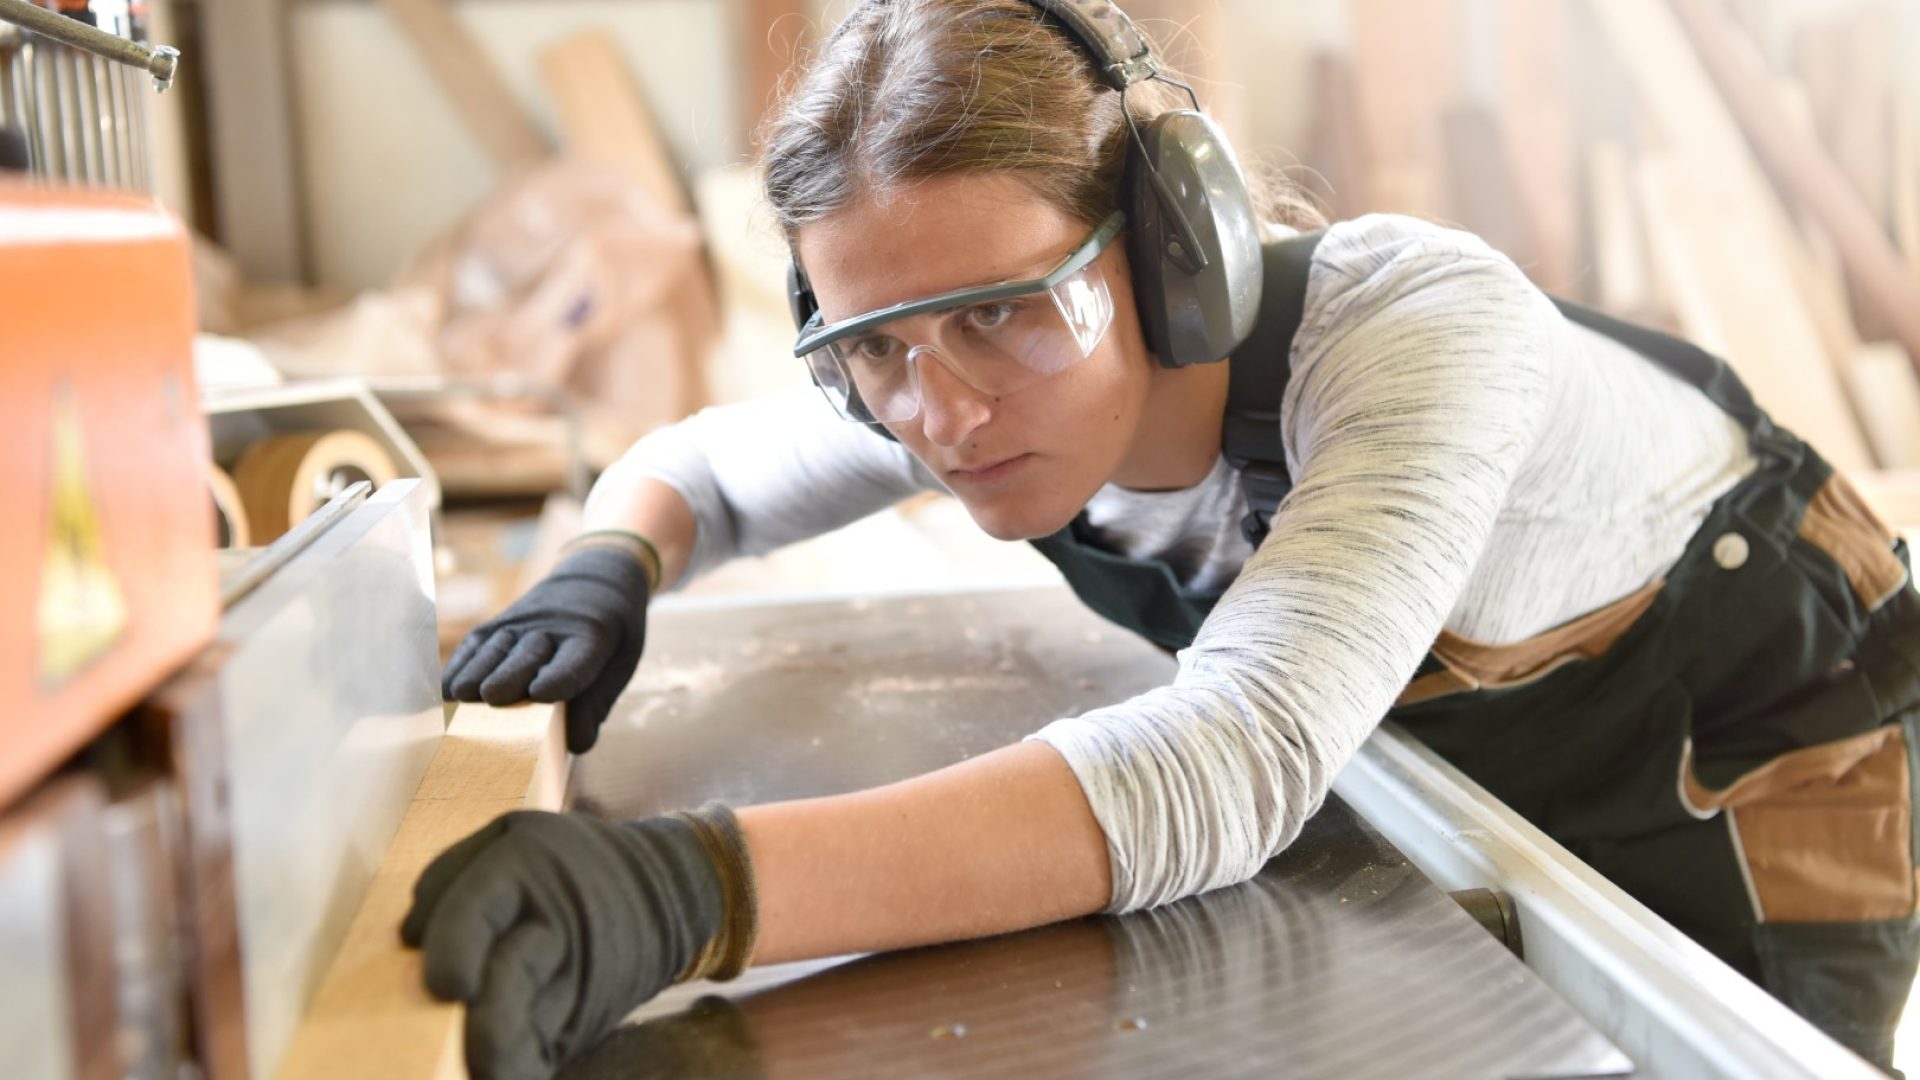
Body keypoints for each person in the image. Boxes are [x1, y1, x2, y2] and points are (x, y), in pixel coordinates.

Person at [407, 1, 1920, 1077]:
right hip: (1473, 754)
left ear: (1171, 245)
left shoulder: (1416, 331)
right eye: (872, 346)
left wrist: (693, 894)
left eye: (1002, 314)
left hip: (1747, 762)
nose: (934, 416)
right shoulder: (955, 382)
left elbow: (1233, 762)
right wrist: (609, 566)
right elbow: (704, 470)